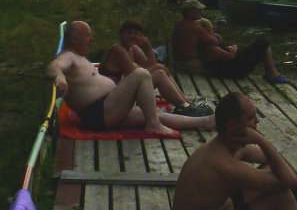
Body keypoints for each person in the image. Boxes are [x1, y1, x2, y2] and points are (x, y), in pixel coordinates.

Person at [171, 92, 297, 210]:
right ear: (232, 125)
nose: (257, 121)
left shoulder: (224, 144)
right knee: (281, 195)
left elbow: (275, 162)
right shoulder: (224, 164)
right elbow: (287, 181)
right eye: (251, 118)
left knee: (271, 167)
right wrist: (262, 141)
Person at [45, 21, 214, 134]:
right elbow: (54, 65)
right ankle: (153, 125)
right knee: (141, 74)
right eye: (87, 35)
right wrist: (59, 77)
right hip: (98, 112)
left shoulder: (79, 56)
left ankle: (205, 121)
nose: (92, 39)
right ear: (74, 39)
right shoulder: (68, 56)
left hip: (108, 109)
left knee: (153, 113)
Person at [98, 19, 211, 116]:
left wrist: (148, 48)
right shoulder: (118, 50)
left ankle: (187, 103)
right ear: (121, 34)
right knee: (159, 73)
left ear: (140, 36)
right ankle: (185, 107)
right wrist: (157, 66)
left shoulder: (133, 49)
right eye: (128, 33)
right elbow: (133, 76)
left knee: (159, 71)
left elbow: (149, 66)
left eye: (135, 33)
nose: (132, 36)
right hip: (111, 98)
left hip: (121, 91)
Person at [172, 0, 288, 83]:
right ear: (190, 12)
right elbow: (216, 43)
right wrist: (232, 48)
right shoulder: (194, 28)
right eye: (198, 10)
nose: (201, 12)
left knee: (253, 47)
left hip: (183, 63)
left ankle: (272, 73)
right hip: (195, 66)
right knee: (262, 43)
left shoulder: (179, 24)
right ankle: (272, 74)